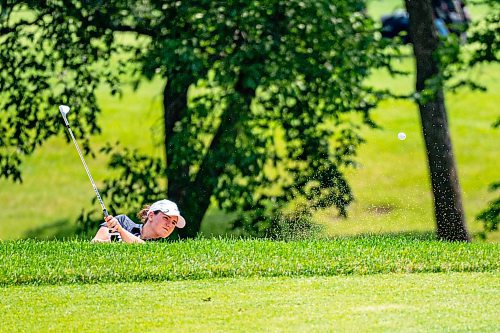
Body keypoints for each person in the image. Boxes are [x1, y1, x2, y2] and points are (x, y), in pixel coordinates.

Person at [91, 199, 186, 243]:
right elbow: (94, 243)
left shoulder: (163, 246)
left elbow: (143, 249)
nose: (170, 225)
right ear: (151, 216)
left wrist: (120, 231)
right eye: (166, 218)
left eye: (174, 222)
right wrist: (112, 242)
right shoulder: (122, 221)